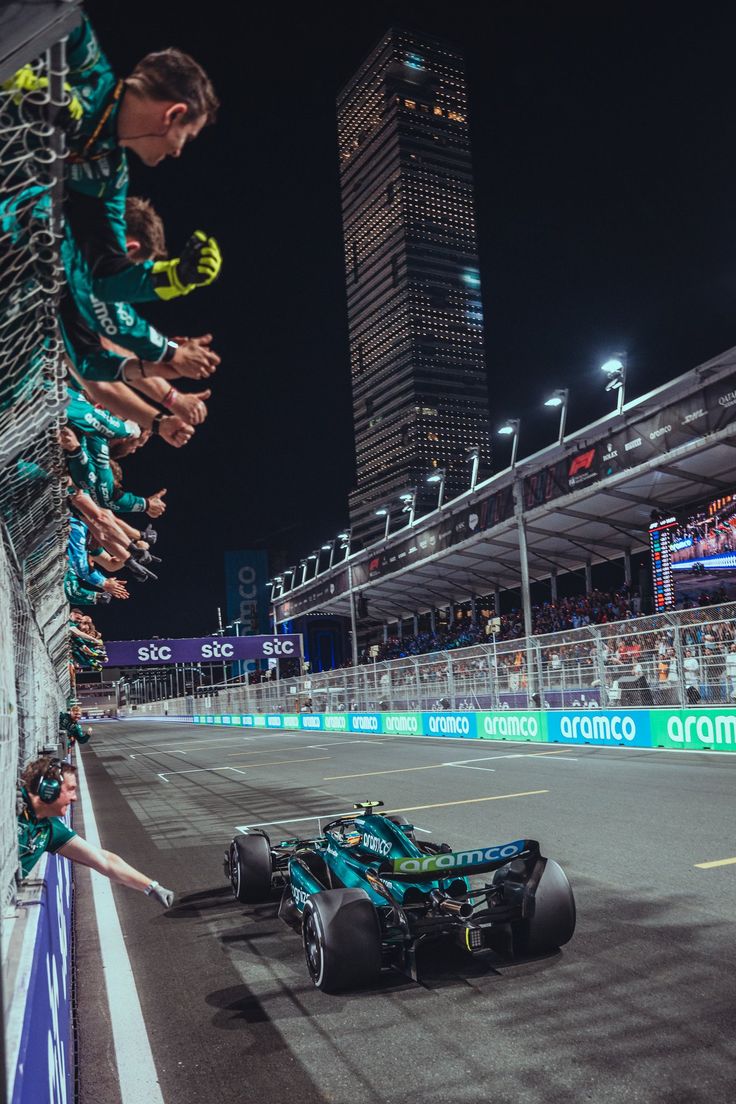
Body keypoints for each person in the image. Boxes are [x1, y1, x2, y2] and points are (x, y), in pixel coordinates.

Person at [18, 757, 174, 906]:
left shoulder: (50, 827)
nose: (74, 798)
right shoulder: (10, 809)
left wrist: (152, 887)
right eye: (71, 789)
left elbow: (104, 859)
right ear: (49, 789)